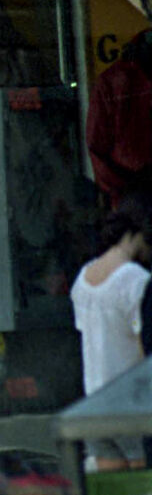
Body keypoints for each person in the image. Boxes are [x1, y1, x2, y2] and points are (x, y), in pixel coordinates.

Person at [71, 192, 152, 471]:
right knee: (143, 487)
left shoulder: (82, 280)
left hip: (95, 406)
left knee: (113, 491)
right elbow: (144, 350)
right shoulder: (137, 281)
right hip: (132, 408)